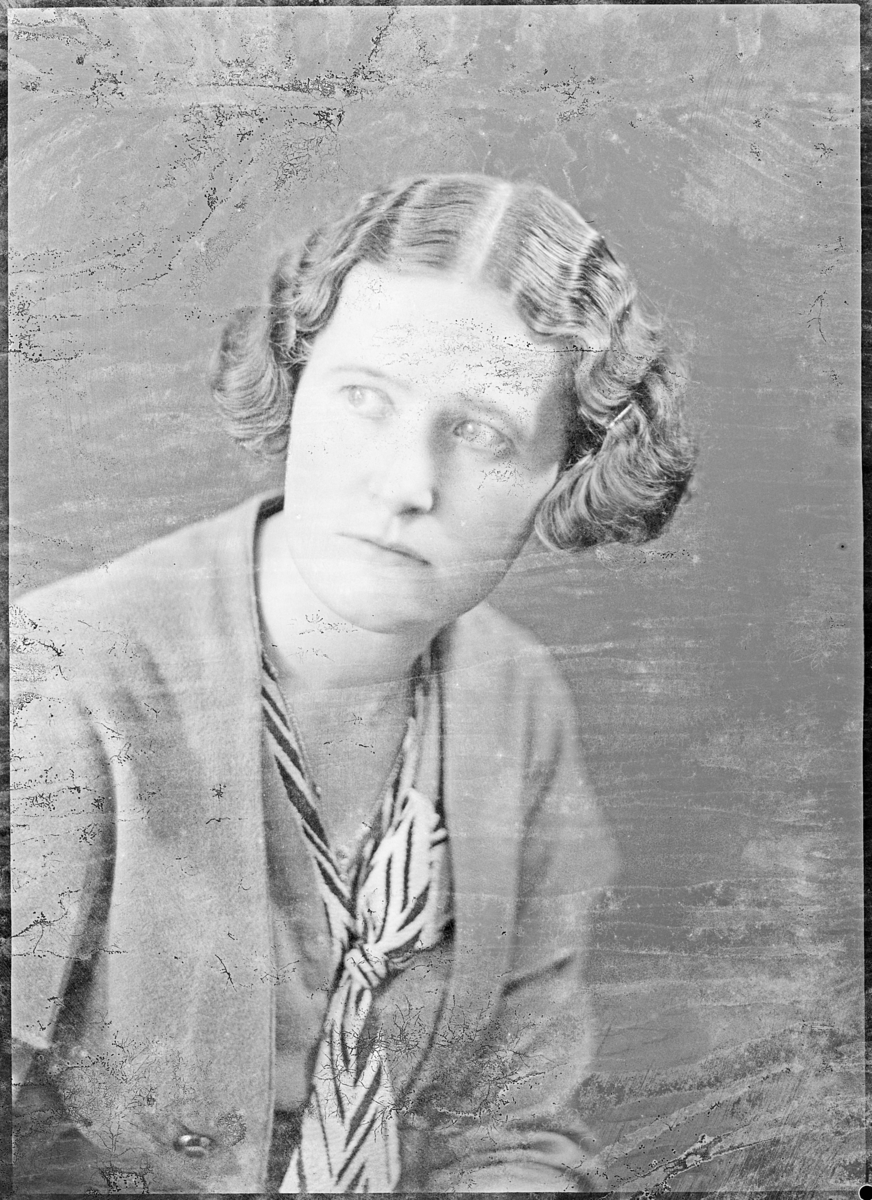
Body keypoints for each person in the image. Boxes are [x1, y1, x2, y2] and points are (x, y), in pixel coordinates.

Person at [11, 173, 695, 1193]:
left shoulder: (516, 699)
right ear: (295, 388)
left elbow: (512, 1132)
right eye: (365, 398)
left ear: (566, 470)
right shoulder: (60, 682)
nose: (405, 482)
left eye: (483, 432)